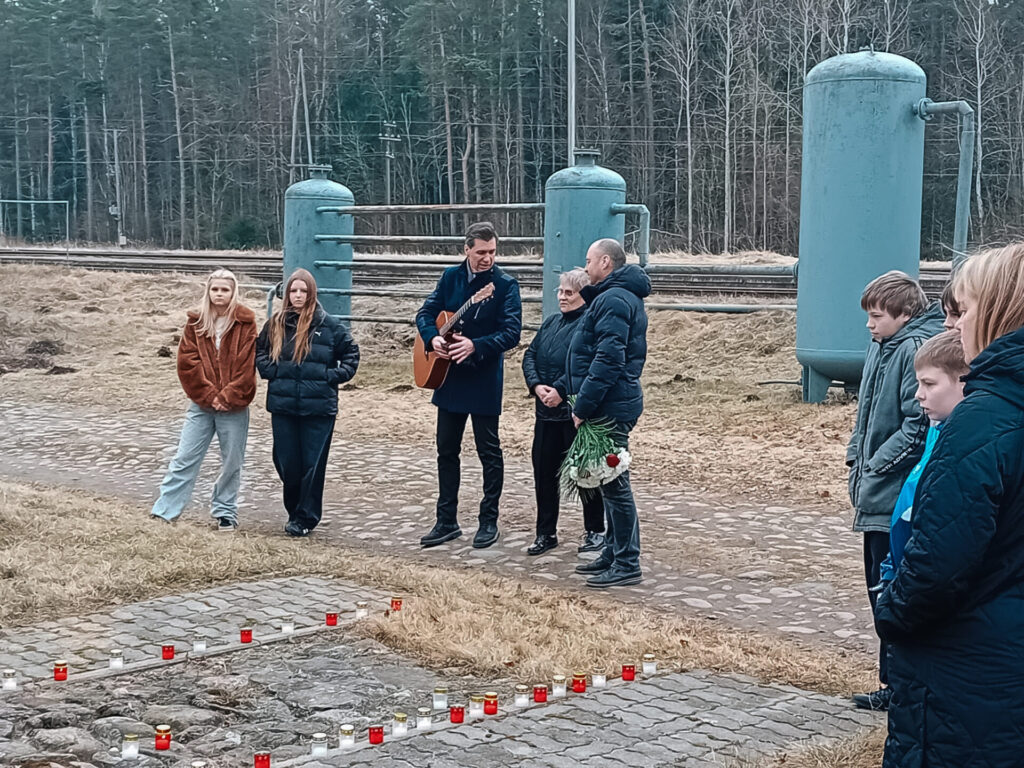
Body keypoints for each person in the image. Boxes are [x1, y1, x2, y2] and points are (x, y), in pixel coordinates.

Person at [875, 243, 1024, 767]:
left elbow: (938, 564)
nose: (952, 324)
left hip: (969, 671)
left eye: (962, 309)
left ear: (999, 311)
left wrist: (891, 611)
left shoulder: (983, 418)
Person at [846, 270, 944, 711]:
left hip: (892, 493)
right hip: (873, 486)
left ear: (904, 314)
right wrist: (856, 457)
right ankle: (892, 680)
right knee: (877, 586)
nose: (870, 324)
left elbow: (916, 425)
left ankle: (898, 684)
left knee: (888, 587)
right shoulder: (882, 345)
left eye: (877, 316)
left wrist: (875, 466)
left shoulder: (911, 349)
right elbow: (865, 414)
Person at [416, 222, 522, 549]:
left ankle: (488, 520)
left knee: (489, 451)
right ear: (466, 250)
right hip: (448, 378)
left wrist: (476, 345)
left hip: (483, 378)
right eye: (481, 252)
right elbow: (426, 313)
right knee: (446, 450)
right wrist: (432, 338)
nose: (488, 258)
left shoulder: (504, 285)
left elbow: (512, 333)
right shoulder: (450, 277)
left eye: (492, 252)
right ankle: (446, 520)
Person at [567, 238, 650, 589]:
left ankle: (627, 561)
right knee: (607, 480)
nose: (585, 267)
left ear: (605, 262)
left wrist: (583, 406)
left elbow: (608, 359)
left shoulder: (614, 299)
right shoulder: (614, 296)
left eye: (589, 260)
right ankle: (613, 552)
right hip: (611, 402)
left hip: (610, 406)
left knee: (615, 483)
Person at [256, 268, 359, 537]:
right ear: (287, 293)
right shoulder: (275, 324)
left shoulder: (329, 325)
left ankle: (305, 517)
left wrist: (330, 376)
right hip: (283, 405)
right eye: (294, 290)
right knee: (286, 461)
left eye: (303, 291)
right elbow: (260, 351)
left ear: (312, 293)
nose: (298, 295)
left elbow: (351, 354)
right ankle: (295, 509)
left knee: (312, 464)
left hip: (319, 407)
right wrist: (271, 371)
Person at [151, 269, 257, 530]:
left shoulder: (245, 323)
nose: (219, 294)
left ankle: (225, 512)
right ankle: (165, 511)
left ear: (233, 292)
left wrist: (228, 396)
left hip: (234, 407)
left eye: (225, 290)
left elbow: (248, 365)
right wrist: (209, 395)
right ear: (208, 292)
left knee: (232, 462)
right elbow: (187, 362)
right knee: (185, 456)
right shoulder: (196, 322)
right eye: (215, 289)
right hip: (201, 405)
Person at [521, 267, 605, 556]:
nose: (562, 297)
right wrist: (536, 385)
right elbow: (530, 355)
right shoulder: (551, 322)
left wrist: (559, 389)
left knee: (585, 473)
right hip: (545, 414)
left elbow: (585, 364)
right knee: (544, 475)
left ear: (583, 295)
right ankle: (545, 532)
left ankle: (595, 530)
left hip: (574, 414)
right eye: (560, 291)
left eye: (569, 293)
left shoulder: (589, 325)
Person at [875, 331, 967, 586]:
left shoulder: (963, 441)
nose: (918, 394)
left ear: (964, 382)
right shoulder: (937, 431)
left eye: (929, 384)